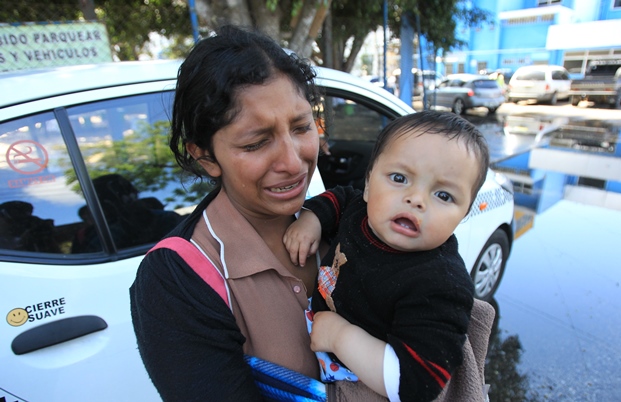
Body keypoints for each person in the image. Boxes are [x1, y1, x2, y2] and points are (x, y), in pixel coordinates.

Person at [129, 25, 389, 401]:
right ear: (205, 156)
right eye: (256, 143)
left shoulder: (350, 219)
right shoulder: (176, 281)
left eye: (301, 127)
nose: (293, 161)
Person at [284, 110, 491, 401]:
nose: (416, 199)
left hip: (363, 379)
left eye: (443, 195)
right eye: (399, 177)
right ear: (369, 184)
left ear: (464, 214)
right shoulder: (362, 212)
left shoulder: (440, 286)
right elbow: (341, 197)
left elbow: (416, 384)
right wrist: (313, 219)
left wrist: (340, 337)